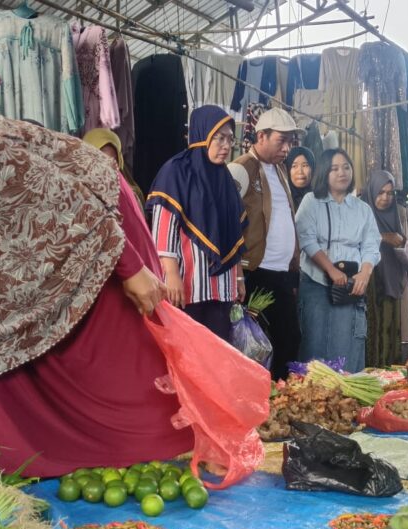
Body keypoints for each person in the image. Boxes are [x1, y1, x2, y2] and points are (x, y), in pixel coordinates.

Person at [0, 110, 193, 476]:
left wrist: (127, 265)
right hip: (29, 245)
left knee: (121, 381)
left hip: (98, 219)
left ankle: (173, 445)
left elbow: (58, 194)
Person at [146, 106, 247, 342]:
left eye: (230, 139)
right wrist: (170, 274)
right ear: (202, 135)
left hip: (221, 287)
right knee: (188, 354)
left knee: (218, 353)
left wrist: (239, 277)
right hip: (186, 286)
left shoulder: (225, 179)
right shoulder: (176, 171)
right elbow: (164, 227)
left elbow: (234, 233)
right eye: (219, 138)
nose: (226, 145)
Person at [228, 107, 302, 380]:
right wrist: (237, 272)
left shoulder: (280, 169)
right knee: (254, 345)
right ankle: (259, 403)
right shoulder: (241, 168)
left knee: (289, 338)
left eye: (291, 141)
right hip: (254, 271)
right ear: (261, 136)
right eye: (281, 140)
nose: (287, 147)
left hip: (281, 272)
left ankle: (280, 401)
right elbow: (227, 220)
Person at [295, 148, 381, 373]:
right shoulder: (311, 202)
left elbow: (372, 245)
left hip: (350, 287)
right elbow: (307, 239)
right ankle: (310, 403)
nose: (342, 173)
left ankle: (346, 401)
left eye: (346, 167)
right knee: (313, 348)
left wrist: (365, 273)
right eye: (334, 169)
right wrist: (331, 270)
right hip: (315, 283)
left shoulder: (362, 209)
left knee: (347, 348)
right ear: (324, 172)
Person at [361, 170, 408, 367]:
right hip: (370, 281)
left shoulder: (395, 214)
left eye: (390, 193)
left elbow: (405, 254)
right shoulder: (362, 210)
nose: (385, 198)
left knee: (390, 326)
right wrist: (383, 236)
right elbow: (357, 236)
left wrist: (402, 243)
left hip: (391, 278)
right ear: (372, 192)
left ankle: (390, 373)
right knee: (373, 329)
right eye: (380, 192)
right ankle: (372, 371)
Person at [83, 127, 146, 208]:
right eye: (102, 160)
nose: (108, 167)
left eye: (113, 160)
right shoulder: (75, 193)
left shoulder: (130, 196)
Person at [284, 146, 315, 212]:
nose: (300, 171)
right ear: (287, 169)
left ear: (312, 169)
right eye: (294, 166)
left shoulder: (319, 199)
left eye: (305, 165)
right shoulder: (282, 199)